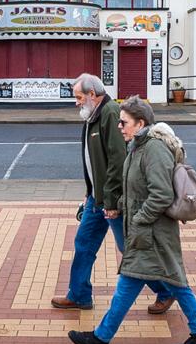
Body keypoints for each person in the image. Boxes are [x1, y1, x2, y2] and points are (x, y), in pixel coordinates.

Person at [68, 96, 196, 344]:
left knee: (148, 283)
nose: (120, 127)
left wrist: (138, 219)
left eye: (124, 123)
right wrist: (121, 205)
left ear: (140, 123)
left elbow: (161, 194)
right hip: (147, 232)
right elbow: (137, 189)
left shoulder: (153, 149)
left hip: (153, 233)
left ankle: (101, 339)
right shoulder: (138, 146)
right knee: (172, 282)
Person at [51, 75, 173, 313]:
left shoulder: (109, 114)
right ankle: (79, 295)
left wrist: (111, 200)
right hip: (97, 199)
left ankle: (167, 291)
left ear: (92, 95)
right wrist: (90, 193)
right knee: (84, 244)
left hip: (112, 200)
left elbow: (118, 161)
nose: (75, 103)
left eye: (78, 97)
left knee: (128, 250)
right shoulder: (92, 115)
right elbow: (95, 162)